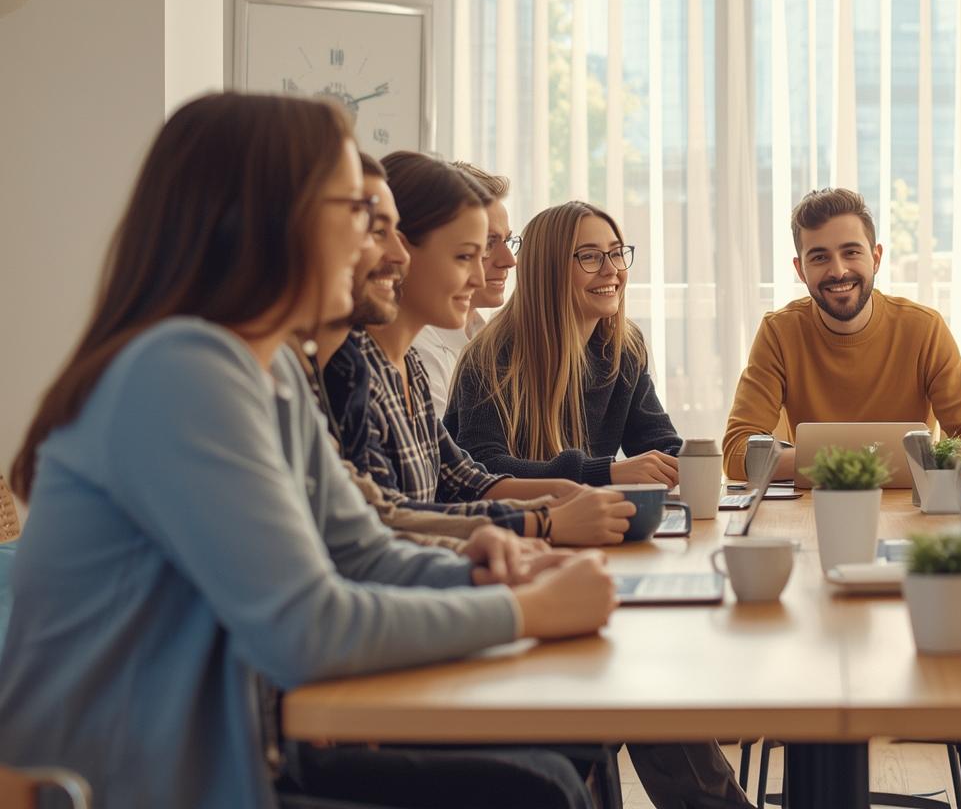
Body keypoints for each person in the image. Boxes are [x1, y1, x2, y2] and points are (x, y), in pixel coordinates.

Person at [0, 93, 614, 809]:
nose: (380, 248)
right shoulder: (180, 371)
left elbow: (361, 553)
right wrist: (527, 611)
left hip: (237, 762)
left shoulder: (275, 372)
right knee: (537, 792)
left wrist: (490, 579)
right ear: (271, 219)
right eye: (358, 212)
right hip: (125, 790)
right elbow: (309, 628)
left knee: (542, 783)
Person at [352, 151, 635, 546]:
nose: (491, 269)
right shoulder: (352, 373)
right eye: (468, 254)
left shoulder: (407, 365)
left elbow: (462, 479)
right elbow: (386, 525)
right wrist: (543, 521)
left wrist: (563, 494)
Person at [721, 188, 961, 480]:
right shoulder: (779, 332)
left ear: (876, 258)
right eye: (819, 257)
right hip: (815, 504)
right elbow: (737, 452)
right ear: (800, 270)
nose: (838, 271)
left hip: (910, 503)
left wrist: (942, 464)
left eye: (851, 252)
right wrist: (864, 463)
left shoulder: (924, 328)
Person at [449, 200, 683, 487]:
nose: (611, 269)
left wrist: (686, 460)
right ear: (548, 269)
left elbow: (659, 443)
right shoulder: (491, 356)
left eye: (616, 253)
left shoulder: (624, 348)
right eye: (590, 256)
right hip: (516, 515)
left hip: (585, 512)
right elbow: (482, 466)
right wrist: (605, 472)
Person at [411, 160, 518, 419]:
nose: (509, 260)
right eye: (488, 242)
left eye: (507, 240)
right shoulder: (416, 351)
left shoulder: (488, 340)